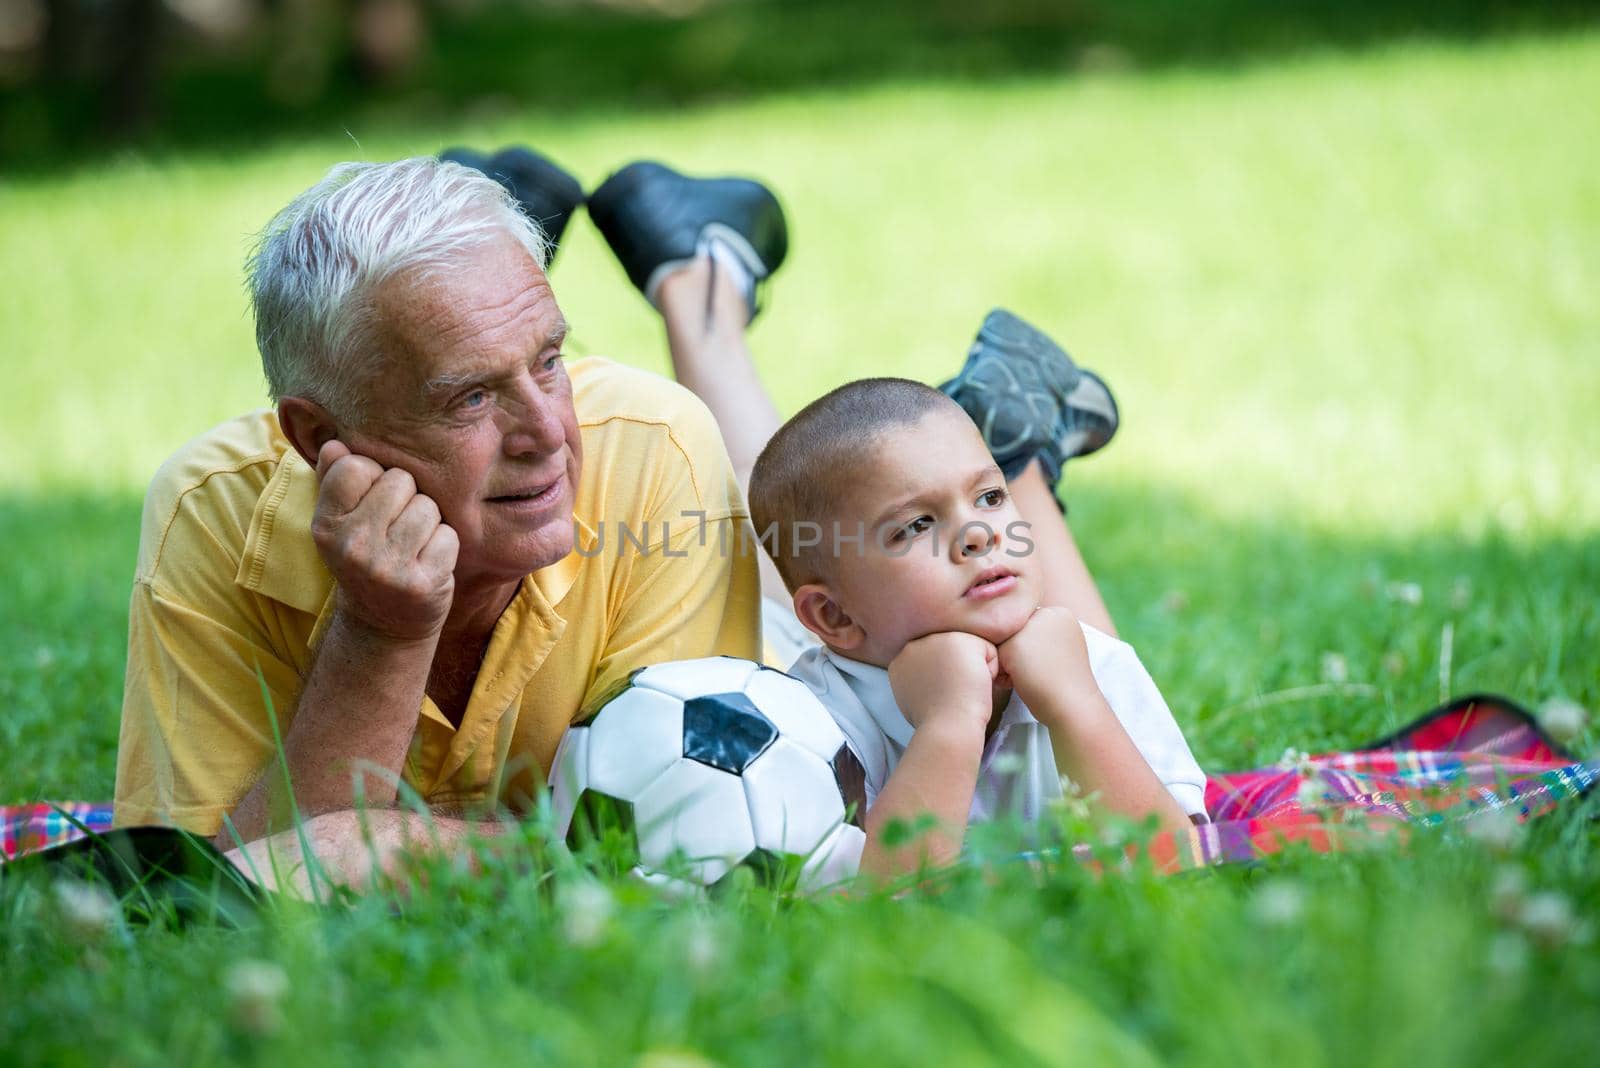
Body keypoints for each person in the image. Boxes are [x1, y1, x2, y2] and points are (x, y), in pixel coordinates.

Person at [112, 151, 794, 885]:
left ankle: (700, 284)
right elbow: (209, 900)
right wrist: (380, 632)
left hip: (791, 637)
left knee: (791, 537)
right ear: (316, 438)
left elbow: (681, 837)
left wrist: (396, 847)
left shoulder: (651, 446)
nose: (549, 435)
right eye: (469, 397)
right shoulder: (212, 510)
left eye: (550, 360)